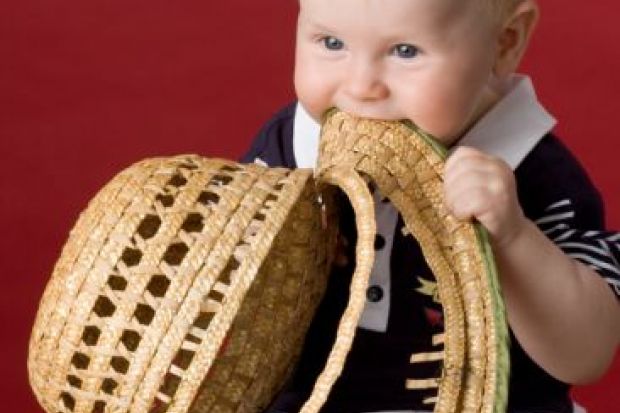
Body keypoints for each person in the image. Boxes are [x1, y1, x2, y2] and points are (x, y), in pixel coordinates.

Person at [241, 0, 620, 411]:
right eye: (332, 43)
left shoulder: (531, 172)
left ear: (505, 43)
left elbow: (586, 356)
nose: (360, 86)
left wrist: (513, 236)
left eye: (405, 51)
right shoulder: (289, 150)